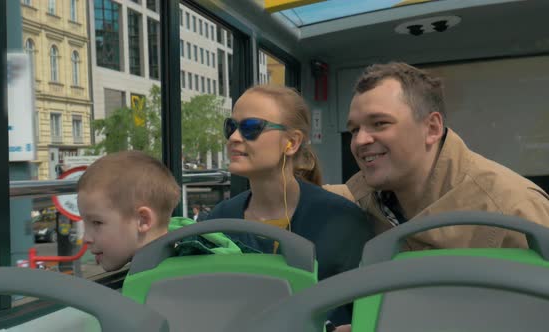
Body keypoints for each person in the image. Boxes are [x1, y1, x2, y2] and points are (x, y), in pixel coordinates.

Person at [325, 62, 549, 250]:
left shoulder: (514, 209)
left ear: (432, 128)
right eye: (354, 130)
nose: (360, 140)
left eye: (380, 123)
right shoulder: (359, 198)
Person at [206, 85, 373, 326]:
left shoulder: (342, 221)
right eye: (230, 127)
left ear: (292, 142)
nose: (233, 138)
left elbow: (367, 311)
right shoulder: (218, 221)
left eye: (251, 128)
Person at [77, 151, 241, 273]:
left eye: (97, 223)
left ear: (143, 221)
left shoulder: (170, 281)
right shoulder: (169, 255)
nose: (86, 238)